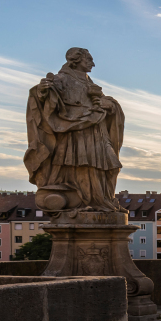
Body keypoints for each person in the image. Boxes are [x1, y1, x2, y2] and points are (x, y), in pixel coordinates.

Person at [24, 47, 126, 214]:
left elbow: (103, 104)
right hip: (75, 133)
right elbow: (44, 97)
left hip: (96, 129)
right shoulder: (61, 79)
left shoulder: (89, 82)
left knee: (111, 166)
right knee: (83, 165)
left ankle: (104, 199)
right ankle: (87, 201)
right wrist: (42, 91)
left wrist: (110, 105)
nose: (93, 63)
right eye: (89, 59)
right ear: (76, 60)